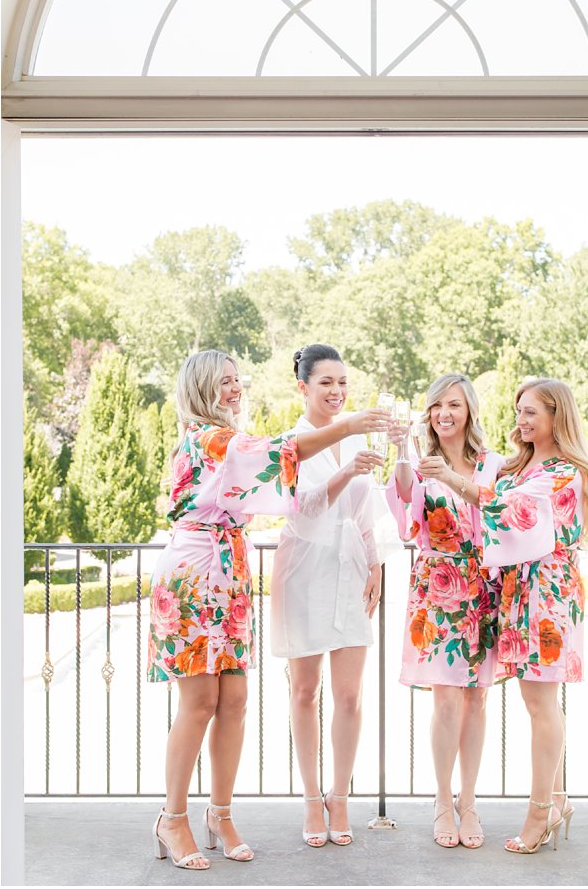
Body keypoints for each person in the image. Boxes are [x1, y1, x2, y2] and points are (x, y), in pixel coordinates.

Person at [148, 349, 386, 870]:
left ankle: (221, 813)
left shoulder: (229, 441)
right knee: (198, 704)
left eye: (238, 380)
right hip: (193, 574)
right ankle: (172, 819)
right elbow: (284, 451)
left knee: (232, 700)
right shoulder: (207, 439)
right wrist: (347, 426)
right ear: (202, 389)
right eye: (225, 382)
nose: (236, 389)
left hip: (229, 572)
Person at [269, 344, 401, 847]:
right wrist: (347, 469)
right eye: (326, 382)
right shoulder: (292, 442)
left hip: (350, 567)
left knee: (349, 693)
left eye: (343, 382)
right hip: (304, 567)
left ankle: (339, 796)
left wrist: (377, 565)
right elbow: (301, 513)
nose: (337, 391)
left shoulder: (359, 433)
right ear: (303, 386)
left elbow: (366, 511)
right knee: (305, 689)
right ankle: (309, 797)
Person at [478, 378, 588, 855]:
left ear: (557, 416)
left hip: (546, 589)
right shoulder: (520, 464)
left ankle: (539, 811)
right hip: (519, 588)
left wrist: (455, 482)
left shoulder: (563, 472)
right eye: (519, 411)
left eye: (531, 412)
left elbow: (508, 512)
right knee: (539, 703)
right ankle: (557, 798)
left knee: (540, 704)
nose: (521, 420)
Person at [384, 373, 506, 849]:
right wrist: (401, 454)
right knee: (446, 699)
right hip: (437, 588)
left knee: (477, 698)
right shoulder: (421, 462)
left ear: (469, 409)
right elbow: (407, 515)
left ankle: (469, 800)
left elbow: (499, 514)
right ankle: (441, 800)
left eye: (454, 405)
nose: (445, 414)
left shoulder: (492, 463)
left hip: (482, 589)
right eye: (437, 406)